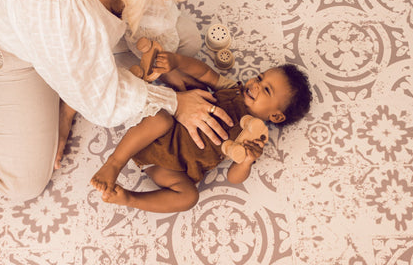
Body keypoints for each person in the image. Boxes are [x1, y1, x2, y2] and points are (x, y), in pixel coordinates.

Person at [0, 0, 235, 201]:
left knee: (186, 43)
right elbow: (102, 99)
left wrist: (158, 56)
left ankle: (66, 94)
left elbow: (139, 3)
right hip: (11, 51)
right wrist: (175, 103)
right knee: (20, 182)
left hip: (65, 36)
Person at [90, 52, 313, 212]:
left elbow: (234, 178)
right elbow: (206, 73)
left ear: (276, 116)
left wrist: (245, 162)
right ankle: (114, 163)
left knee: (189, 197)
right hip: (159, 135)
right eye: (260, 77)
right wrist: (178, 61)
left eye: (266, 90)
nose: (255, 84)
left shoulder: (254, 138)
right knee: (162, 117)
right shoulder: (232, 88)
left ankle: (130, 198)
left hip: (172, 167)